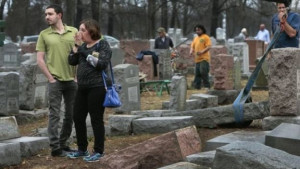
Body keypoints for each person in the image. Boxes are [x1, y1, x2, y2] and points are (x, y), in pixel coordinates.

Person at [67, 19, 112, 162]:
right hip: (82, 87)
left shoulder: (102, 44)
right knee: (78, 117)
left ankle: (99, 150)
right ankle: (82, 149)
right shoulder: (82, 46)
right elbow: (72, 61)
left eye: (82, 30)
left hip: (97, 87)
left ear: (91, 30)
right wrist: (76, 46)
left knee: (96, 119)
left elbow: (100, 64)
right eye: (79, 29)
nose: (79, 33)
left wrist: (82, 50)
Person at [36, 4, 78, 157]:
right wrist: (50, 78)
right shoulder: (44, 34)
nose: (47, 17)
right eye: (46, 14)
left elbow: (79, 54)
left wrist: (76, 76)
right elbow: (40, 59)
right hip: (55, 81)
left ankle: (64, 143)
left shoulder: (73, 32)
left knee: (71, 114)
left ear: (59, 15)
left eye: (50, 14)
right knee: (54, 114)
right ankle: (55, 148)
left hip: (72, 81)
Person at [189, 24, 212, 90]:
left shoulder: (205, 37)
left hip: (204, 58)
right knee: (197, 73)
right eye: (196, 30)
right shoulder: (196, 38)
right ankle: (197, 87)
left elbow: (209, 46)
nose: (197, 31)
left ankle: (207, 86)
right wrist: (191, 51)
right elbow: (192, 46)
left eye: (199, 30)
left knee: (203, 71)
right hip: (197, 59)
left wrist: (202, 52)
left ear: (202, 30)